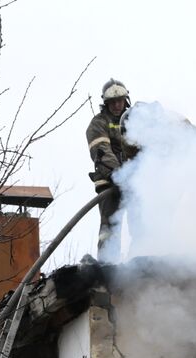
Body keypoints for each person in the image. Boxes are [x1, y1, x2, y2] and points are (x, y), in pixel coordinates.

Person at [86, 78, 139, 251]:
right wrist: (120, 175)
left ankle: (139, 262)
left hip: (135, 183)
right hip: (109, 182)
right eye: (113, 102)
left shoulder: (136, 120)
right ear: (106, 103)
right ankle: (107, 269)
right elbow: (102, 152)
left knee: (141, 226)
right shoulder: (98, 123)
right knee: (110, 230)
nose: (117, 105)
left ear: (126, 100)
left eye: (120, 101)